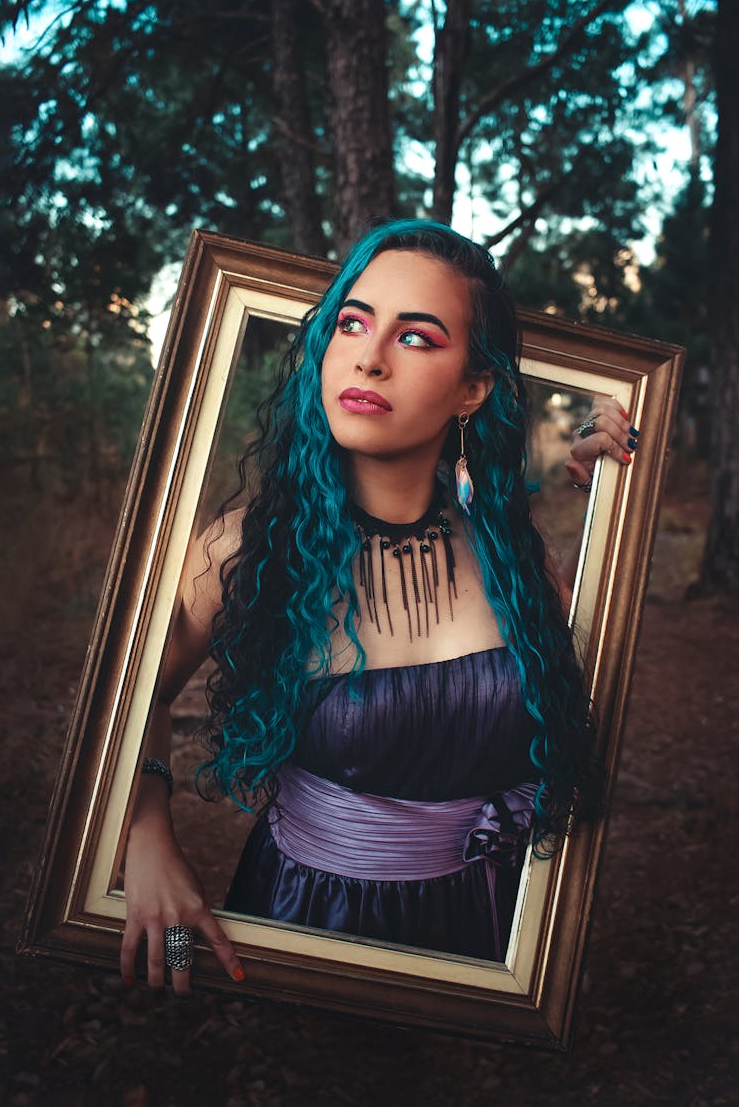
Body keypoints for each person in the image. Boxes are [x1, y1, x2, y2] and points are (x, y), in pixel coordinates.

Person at [120, 220, 638, 994]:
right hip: (310, 921)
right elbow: (125, 700)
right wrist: (147, 834)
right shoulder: (240, 549)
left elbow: (581, 704)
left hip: (492, 935)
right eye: (352, 323)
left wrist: (614, 491)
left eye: (419, 337)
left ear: (473, 387)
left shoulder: (516, 556)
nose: (368, 356)